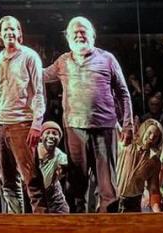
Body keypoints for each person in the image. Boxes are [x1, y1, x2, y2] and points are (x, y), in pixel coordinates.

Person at [43, 16, 132, 213]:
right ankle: (79, 231)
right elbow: (40, 75)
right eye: (74, 32)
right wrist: (25, 60)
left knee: (108, 185)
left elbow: (123, 93)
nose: (79, 35)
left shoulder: (107, 58)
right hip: (74, 128)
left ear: (92, 35)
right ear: (68, 38)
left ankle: (108, 230)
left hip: (105, 127)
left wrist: (128, 125)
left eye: (83, 31)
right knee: (77, 183)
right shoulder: (62, 62)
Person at [0, 16, 49, 213]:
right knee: (8, 180)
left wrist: (37, 123)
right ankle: (17, 223)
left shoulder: (30, 57)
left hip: (22, 124)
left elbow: (39, 92)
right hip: (0, 124)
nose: (9, 33)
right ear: (0, 34)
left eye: (13, 29)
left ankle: (42, 225)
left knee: (31, 178)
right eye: (5, 29)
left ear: (19, 32)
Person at [115, 118, 163, 212]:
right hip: (114, 200)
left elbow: (154, 189)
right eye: (149, 133)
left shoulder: (154, 161)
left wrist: (157, 210)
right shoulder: (126, 145)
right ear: (144, 131)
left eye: (156, 136)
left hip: (133, 204)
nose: (151, 137)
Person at [37, 122, 70, 213]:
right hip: (34, 194)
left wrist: (61, 172)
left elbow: (70, 164)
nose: (51, 136)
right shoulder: (33, 151)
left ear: (59, 139)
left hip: (52, 194)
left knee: (63, 211)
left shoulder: (59, 155)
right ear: (41, 137)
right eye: (48, 133)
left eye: (55, 134)